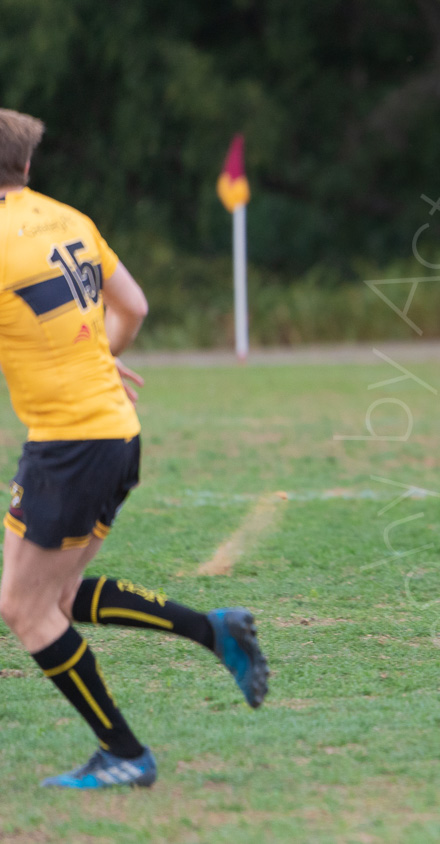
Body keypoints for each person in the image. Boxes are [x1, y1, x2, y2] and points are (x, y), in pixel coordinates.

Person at [0, 109, 268, 789]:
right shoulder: (71, 220)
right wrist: (97, 358)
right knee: (51, 596)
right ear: (26, 167)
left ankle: (125, 752)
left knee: (26, 609)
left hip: (69, 447)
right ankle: (215, 631)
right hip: (115, 432)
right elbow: (134, 307)